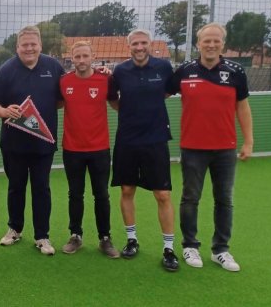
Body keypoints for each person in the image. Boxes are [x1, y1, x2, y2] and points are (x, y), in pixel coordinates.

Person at [167, 22, 253, 272]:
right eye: (207, 41)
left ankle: (220, 250)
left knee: (224, 199)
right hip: (192, 148)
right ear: (198, 44)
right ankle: (190, 245)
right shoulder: (184, 71)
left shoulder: (235, 72)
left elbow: (243, 108)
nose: (211, 44)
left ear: (223, 44)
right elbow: (159, 94)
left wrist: (248, 142)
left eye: (216, 40)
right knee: (190, 197)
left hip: (225, 149)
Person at [109, 29, 179, 271]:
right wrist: (129, 113)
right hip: (127, 139)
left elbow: (168, 92)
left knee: (162, 195)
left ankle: (169, 248)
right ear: (128, 46)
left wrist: (149, 109)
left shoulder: (164, 67)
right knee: (127, 189)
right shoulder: (120, 71)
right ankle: (132, 240)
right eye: (135, 44)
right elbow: (113, 99)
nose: (139, 47)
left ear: (150, 44)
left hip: (156, 139)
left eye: (143, 43)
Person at [0, 25, 63, 255]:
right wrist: (4, 112)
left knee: (42, 188)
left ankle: (42, 236)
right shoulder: (5, 70)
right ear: (17, 47)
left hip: (44, 143)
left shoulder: (54, 67)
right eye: (25, 45)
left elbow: (62, 99)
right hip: (13, 143)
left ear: (40, 45)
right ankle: (14, 229)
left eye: (33, 44)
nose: (29, 49)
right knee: (16, 187)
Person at [59, 41, 120, 258]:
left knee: (101, 194)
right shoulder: (64, 81)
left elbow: (116, 104)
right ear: (72, 58)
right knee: (75, 194)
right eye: (77, 57)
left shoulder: (105, 79)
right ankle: (75, 235)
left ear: (93, 56)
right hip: (72, 149)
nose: (81, 60)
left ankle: (105, 238)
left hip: (99, 149)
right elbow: (55, 104)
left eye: (85, 56)